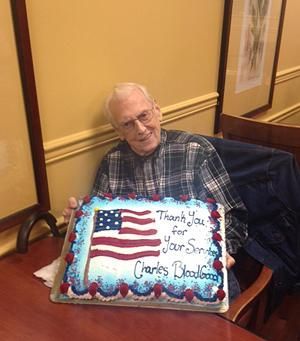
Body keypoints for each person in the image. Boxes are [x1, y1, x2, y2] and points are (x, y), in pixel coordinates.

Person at [63, 82, 248, 301]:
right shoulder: (111, 163)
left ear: (157, 111)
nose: (140, 129)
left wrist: (218, 248)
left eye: (144, 116)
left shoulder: (195, 151)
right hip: (133, 285)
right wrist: (78, 223)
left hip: (197, 280)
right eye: (128, 124)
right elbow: (101, 229)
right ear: (118, 132)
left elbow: (234, 217)